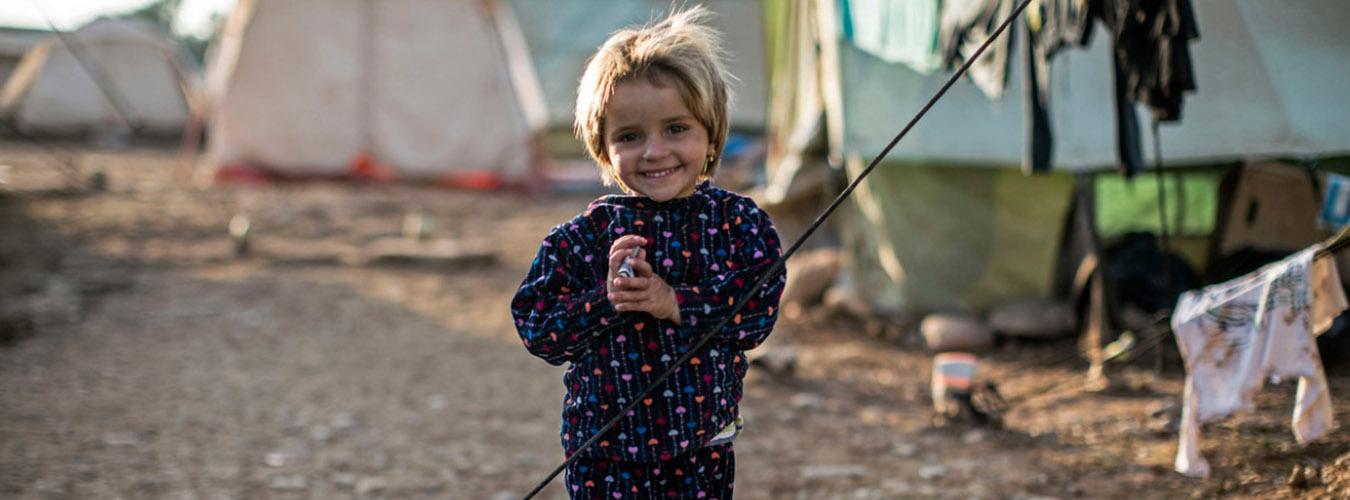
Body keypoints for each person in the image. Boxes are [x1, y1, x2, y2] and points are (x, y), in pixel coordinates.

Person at [510, 6, 785, 498]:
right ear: (603, 147)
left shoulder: (738, 225)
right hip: (603, 453)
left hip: (700, 449)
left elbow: (756, 316)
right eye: (630, 136)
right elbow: (538, 327)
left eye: (676, 128)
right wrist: (605, 301)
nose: (654, 151)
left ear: (711, 133)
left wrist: (674, 302)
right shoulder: (582, 239)